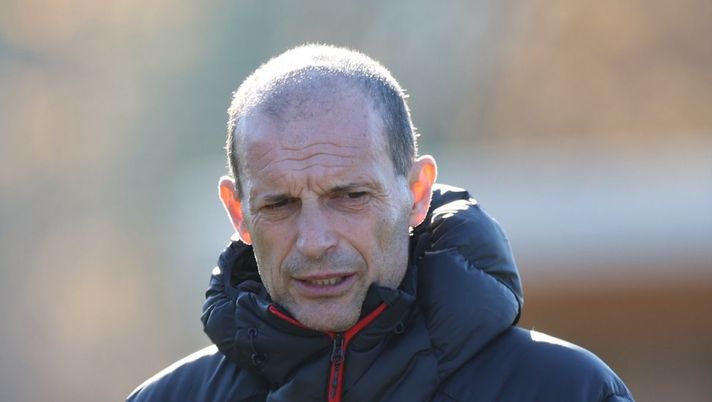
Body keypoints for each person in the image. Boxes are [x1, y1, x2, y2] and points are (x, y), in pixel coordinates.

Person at [127, 44, 634, 402]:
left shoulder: (568, 391)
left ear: (417, 192)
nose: (314, 241)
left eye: (349, 197)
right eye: (280, 205)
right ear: (238, 212)